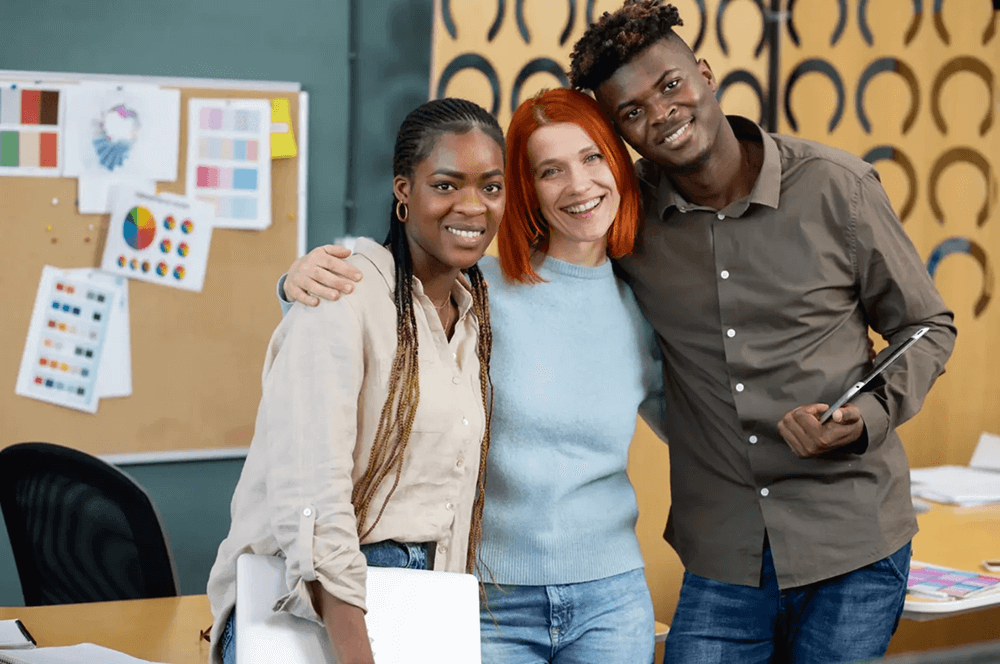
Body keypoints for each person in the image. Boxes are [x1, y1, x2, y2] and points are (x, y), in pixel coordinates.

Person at [566, 1, 956, 662]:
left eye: (669, 85)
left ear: (706, 74)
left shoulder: (836, 187)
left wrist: (862, 416)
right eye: (631, 113)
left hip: (854, 544)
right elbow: (523, 255)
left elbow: (927, 326)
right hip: (724, 555)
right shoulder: (624, 220)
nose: (660, 114)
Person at [279, 88, 664, 663]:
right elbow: (365, 321)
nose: (579, 185)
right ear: (525, 189)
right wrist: (292, 286)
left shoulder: (647, 305)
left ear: (618, 163)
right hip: (485, 596)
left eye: (592, 158)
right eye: (549, 170)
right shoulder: (475, 285)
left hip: (611, 599)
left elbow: (700, 428)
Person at [205, 97, 505, 664]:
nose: (472, 206)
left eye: (491, 187)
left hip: (421, 601)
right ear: (403, 191)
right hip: (318, 604)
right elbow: (312, 500)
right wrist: (355, 652)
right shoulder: (341, 293)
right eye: (445, 185)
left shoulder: (471, 312)